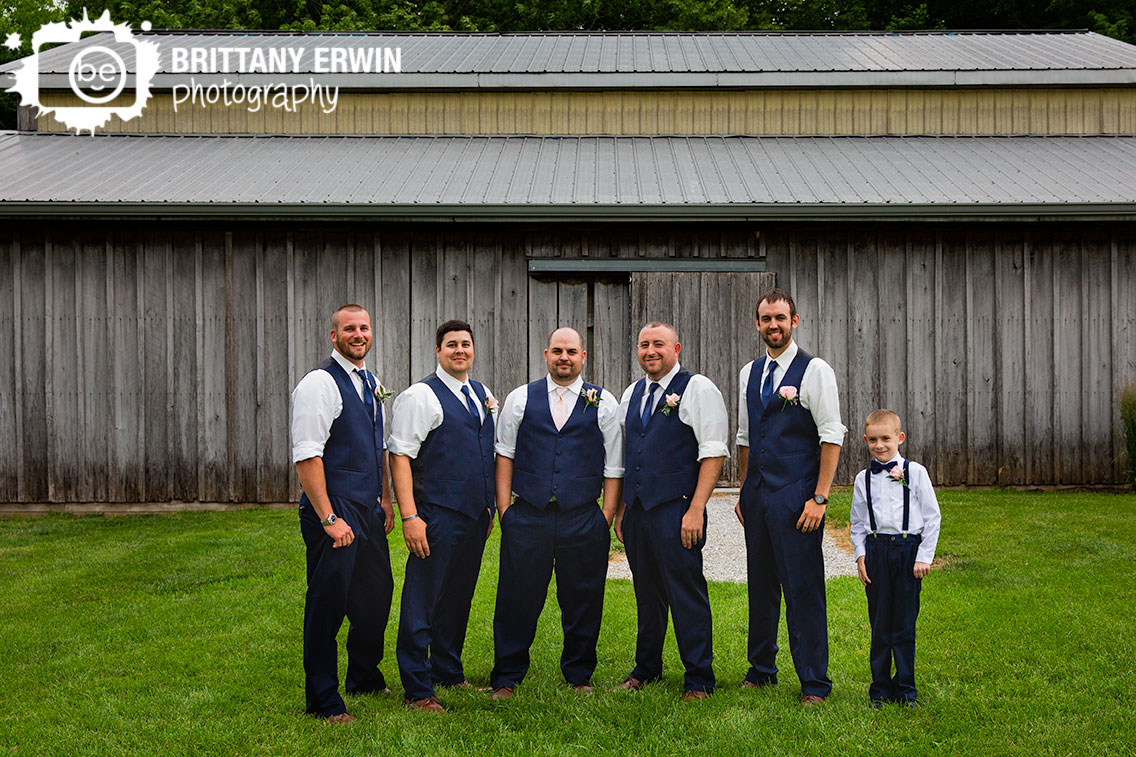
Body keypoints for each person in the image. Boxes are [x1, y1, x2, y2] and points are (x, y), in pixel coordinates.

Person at [489, 327, 624, 699]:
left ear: (583, 357)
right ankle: (506, 675)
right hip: (528, 515)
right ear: (547, 354)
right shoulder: (520, 398)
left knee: (583, 598)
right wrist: (505, 512)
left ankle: (579, 674)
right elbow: (505, 456)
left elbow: (614, 465)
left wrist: (605, 516)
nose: (564, 358)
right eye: (558, 351)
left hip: (583, 517)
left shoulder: (603, 402)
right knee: (516, 597)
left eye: (572, 352)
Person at [735, 288, 846, 705]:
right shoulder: (749, 373)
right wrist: (746, 488)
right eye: (765, 319)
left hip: (797, 496)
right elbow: (746, 436)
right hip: (758, 496)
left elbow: (831, 436)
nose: (773, 325)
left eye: (780, 318)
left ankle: (814, 683)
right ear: (758, 324)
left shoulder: (815, 370)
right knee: (760, 586)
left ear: (794, 321)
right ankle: (761, 668)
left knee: (803, 589)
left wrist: (819, 498)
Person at [612, 322, 729, 702]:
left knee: (685, 593)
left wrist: (696, 509)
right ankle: (646, 668)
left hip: (678, 510)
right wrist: (624, 509)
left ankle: (699, 677)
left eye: (658, 344)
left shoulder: (697, 388)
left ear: (675, 347)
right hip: (640, 512)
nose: (650, 351)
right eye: (644, 344)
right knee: (646, 594)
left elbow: (713, 451)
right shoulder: (632, 393)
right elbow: (632, 453)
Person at [291, 304, 395, 724]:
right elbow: (307, 455)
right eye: (349, 328)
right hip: (334, 510)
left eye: (364, 327)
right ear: (333, 336)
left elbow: (378, 446)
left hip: (368, 508)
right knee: (327, 605)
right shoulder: (320, 383)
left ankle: (364, 676)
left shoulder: (370, 382)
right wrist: (329, 518)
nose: (358, 334)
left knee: (376, 597)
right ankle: (323, 700)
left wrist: (384, 499)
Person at [388, 319, 496, 714]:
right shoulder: (421, 396)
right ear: (438, 351)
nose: (460, 351)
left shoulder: (481, 393)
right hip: (436, 515)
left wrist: (489, 509)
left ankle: (447, 670)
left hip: (474, 517)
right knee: (423, 599)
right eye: (451, 344)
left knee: (457, 597)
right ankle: (417, 689)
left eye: (466, 344)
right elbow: (399, 456)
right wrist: (410, 517)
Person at [850, 409, 941, 708]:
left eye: (886, 439)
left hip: (907, 551)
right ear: (866, 441)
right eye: (873, 440)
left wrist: (923, 556)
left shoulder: (916, 472)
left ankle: (906, 690)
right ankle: (879, 689)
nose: (880, 445)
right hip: (876, 552)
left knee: (903, 624)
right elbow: (858, 523)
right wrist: (861, 556)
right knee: (879, 624)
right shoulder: (862, 478)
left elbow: (932, 517)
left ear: (899, 438)